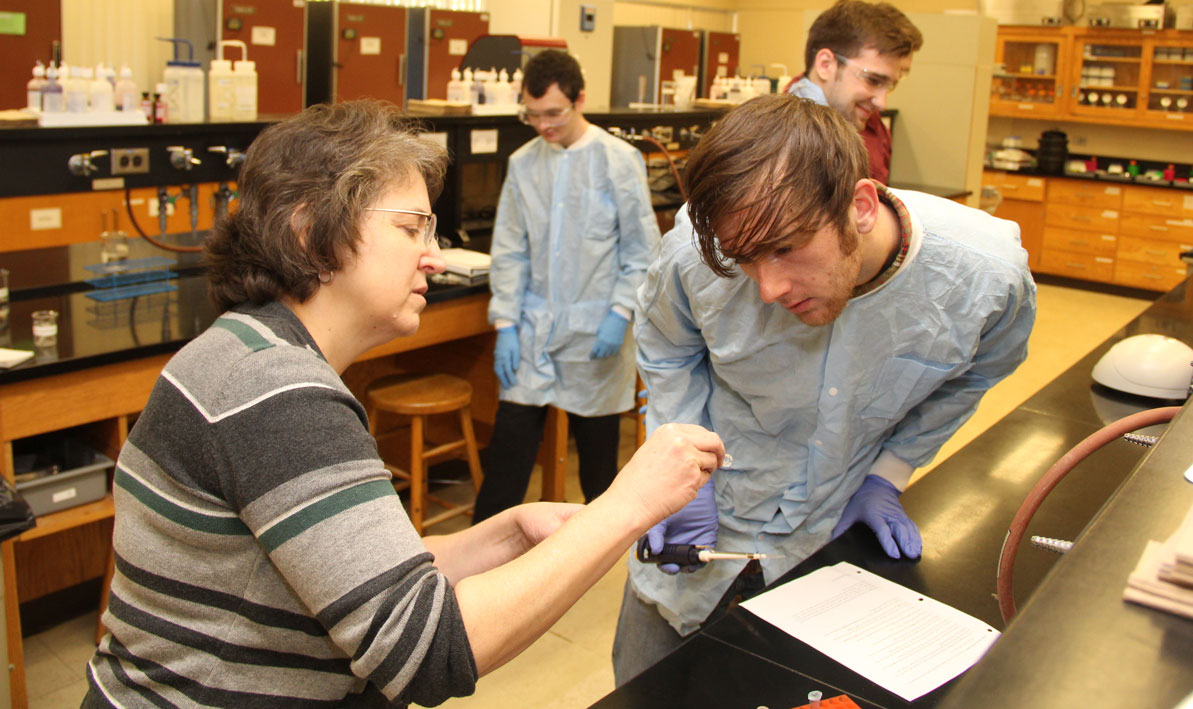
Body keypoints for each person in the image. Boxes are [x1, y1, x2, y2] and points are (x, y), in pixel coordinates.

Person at [82, 99, 724, 707]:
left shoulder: (251, 356)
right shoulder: (279, 398)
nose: (435, 256)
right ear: (311, 234)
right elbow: (427, 650)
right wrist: (628, 505)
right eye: (412, 227)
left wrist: (506, 533)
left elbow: (370, 581)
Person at [612, 95, 1036, 683]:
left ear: (860, 206)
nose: (768, 288)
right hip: (699, 541)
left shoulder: (981, 278)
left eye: (786, 247)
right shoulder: (696, 251)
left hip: (828, 548)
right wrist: (678, 465)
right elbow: (666, 346)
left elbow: (981, 370)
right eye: (746, 260)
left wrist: (889, 475)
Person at [473, 50, 660, 521]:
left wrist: (619, 315)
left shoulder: (619, 160)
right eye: (532, 115)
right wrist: (506, 324)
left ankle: (596, 550)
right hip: (533, 331)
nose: (543, 126)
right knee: (508, 459)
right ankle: (479, 562)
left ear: (580, 100)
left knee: (598, 470)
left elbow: (641, 251)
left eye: (553, 113)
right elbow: (510, 249)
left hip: (596, 332)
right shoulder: (523, 163)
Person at [785, 0, 923, 184]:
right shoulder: (781, 140)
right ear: (825, 65)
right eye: (873, 80)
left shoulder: (871, 127)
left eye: (890, 85)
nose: (882, 103)